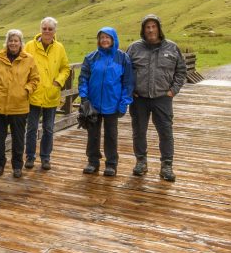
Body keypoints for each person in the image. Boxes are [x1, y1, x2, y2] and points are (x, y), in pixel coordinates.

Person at [127, 13, 188, 182]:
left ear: (159, 29)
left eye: (154, 26)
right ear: (143, 30)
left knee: (166, 132)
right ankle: (141, 162)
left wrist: (173, 90)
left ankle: (166, 165)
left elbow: (181, 71)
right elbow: (125, 71)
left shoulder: (172, 48)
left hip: (163, 98)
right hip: (139, 98)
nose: (151, 30)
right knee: (139, 132)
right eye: (147, 27)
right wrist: (130, 89)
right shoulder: (134, 48)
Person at [78, 27, 133, 177]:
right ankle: (92, 161)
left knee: (111, 135)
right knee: (92, 134)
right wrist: (84, 99)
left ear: (113, 39)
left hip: (112, 104)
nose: (104, 40)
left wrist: (124, 102)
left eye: (108, 37)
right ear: (98, 40)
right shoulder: (91, 57)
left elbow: (128, 82)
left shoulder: (123, 58)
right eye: (102, 37)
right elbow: (83, 78)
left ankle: (111, 164)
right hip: (93, 104)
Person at [0, 29, 39, 178]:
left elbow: (35, 80)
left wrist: (26, 90)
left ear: (20, 43)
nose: (13, 43)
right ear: (7, 42)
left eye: (16, 40)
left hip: (19, 106)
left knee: (18, 138)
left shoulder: (29, 59)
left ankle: (17, 166)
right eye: (11, 40)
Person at [23, 17, 70, 171]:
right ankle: (30, 157)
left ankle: (45, 158)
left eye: (50, 29)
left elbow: (65, 68)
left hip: (51, 94)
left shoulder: (60, 48)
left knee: (49, 129)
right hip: (34, 95)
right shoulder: (29, 46)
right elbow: (22, 65)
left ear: (55, 31)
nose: (47, 31)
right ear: (40, 29)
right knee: (31, 128)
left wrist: (59, 81)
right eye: (44, 28)